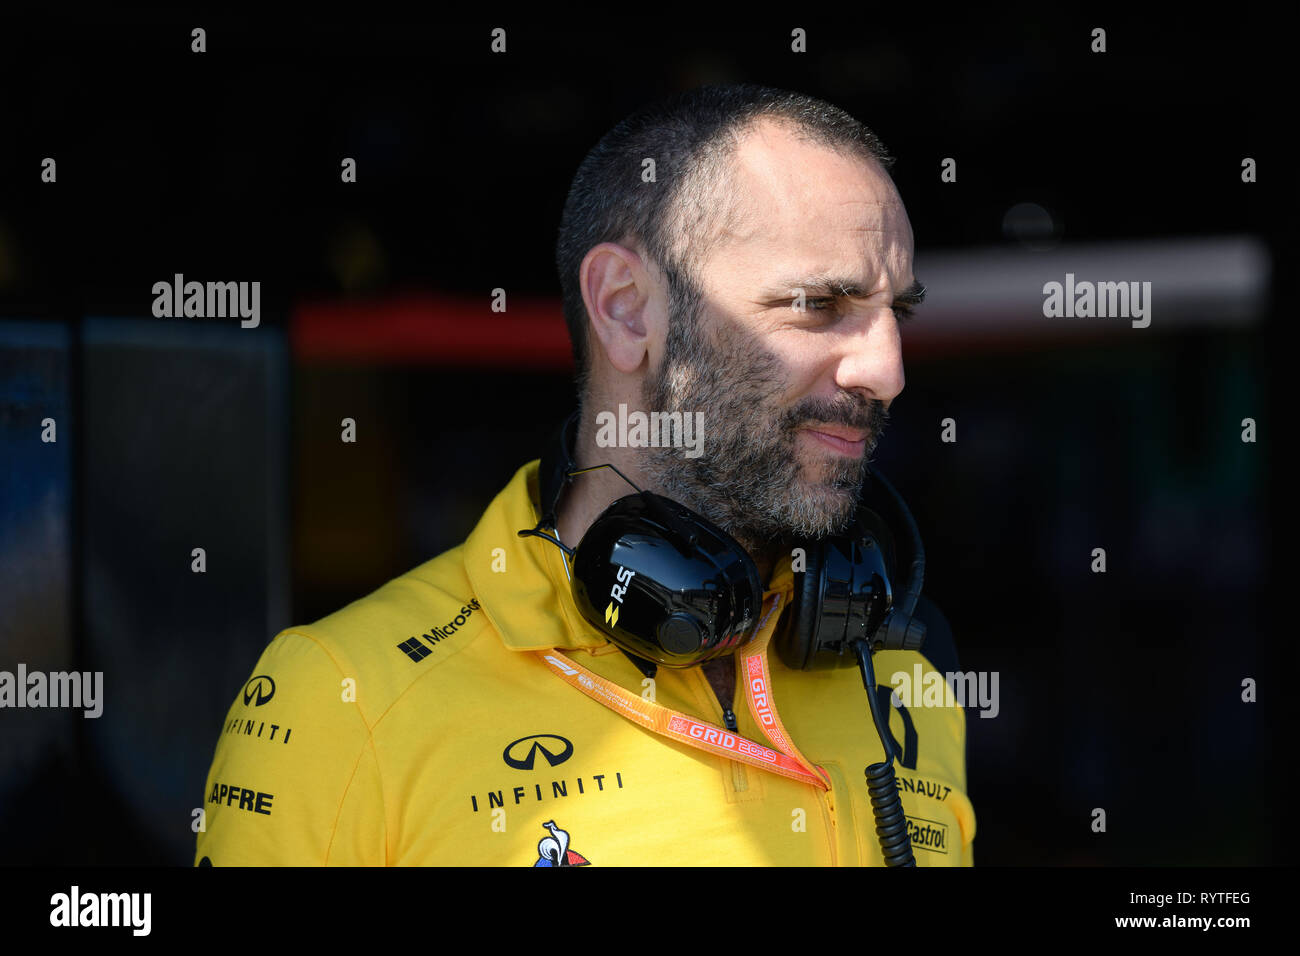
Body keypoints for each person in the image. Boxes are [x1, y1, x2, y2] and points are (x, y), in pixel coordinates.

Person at [195, 83, 975, 866]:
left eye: (895, 313)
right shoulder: (341, 700)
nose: (886, 369)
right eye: (818, 305)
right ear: (628, 309)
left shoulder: (901, 674)